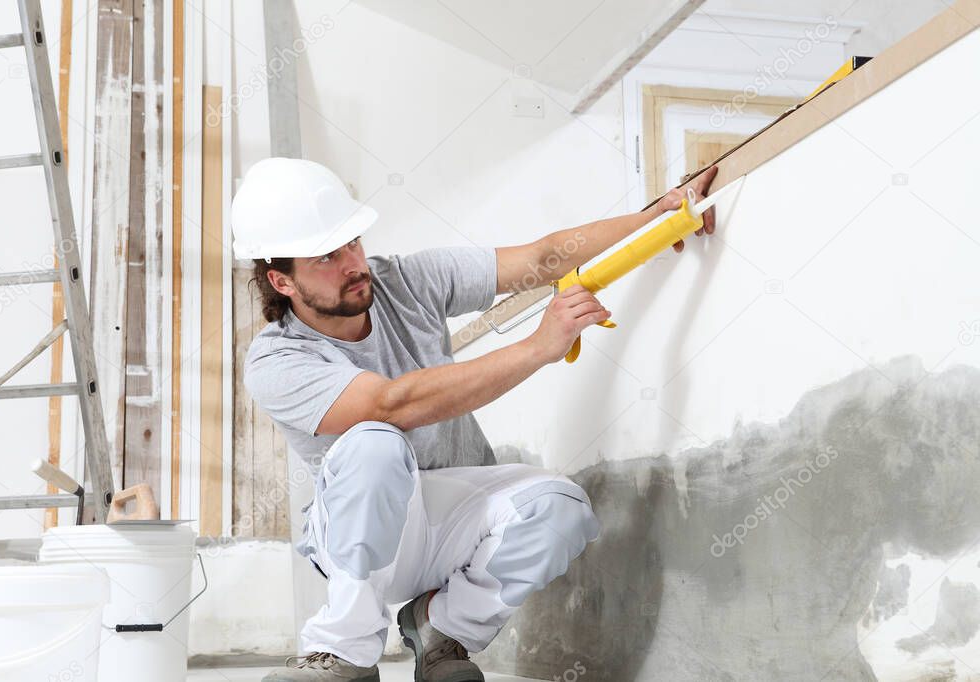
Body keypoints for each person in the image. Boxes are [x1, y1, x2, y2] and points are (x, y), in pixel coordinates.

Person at [233, 158, 717, 682]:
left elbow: (543, 257)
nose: (352, 262)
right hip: (367, 543)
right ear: (282, 280)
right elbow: (391, 404)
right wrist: (538, 348)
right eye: (326, 256)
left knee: (560, 506)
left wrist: (659, 218)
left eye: (351, 241)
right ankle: (345, 653)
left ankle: (441, 628)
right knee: (375, 442)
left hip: (452, 517)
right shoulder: (276, 360)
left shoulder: (407, 280)